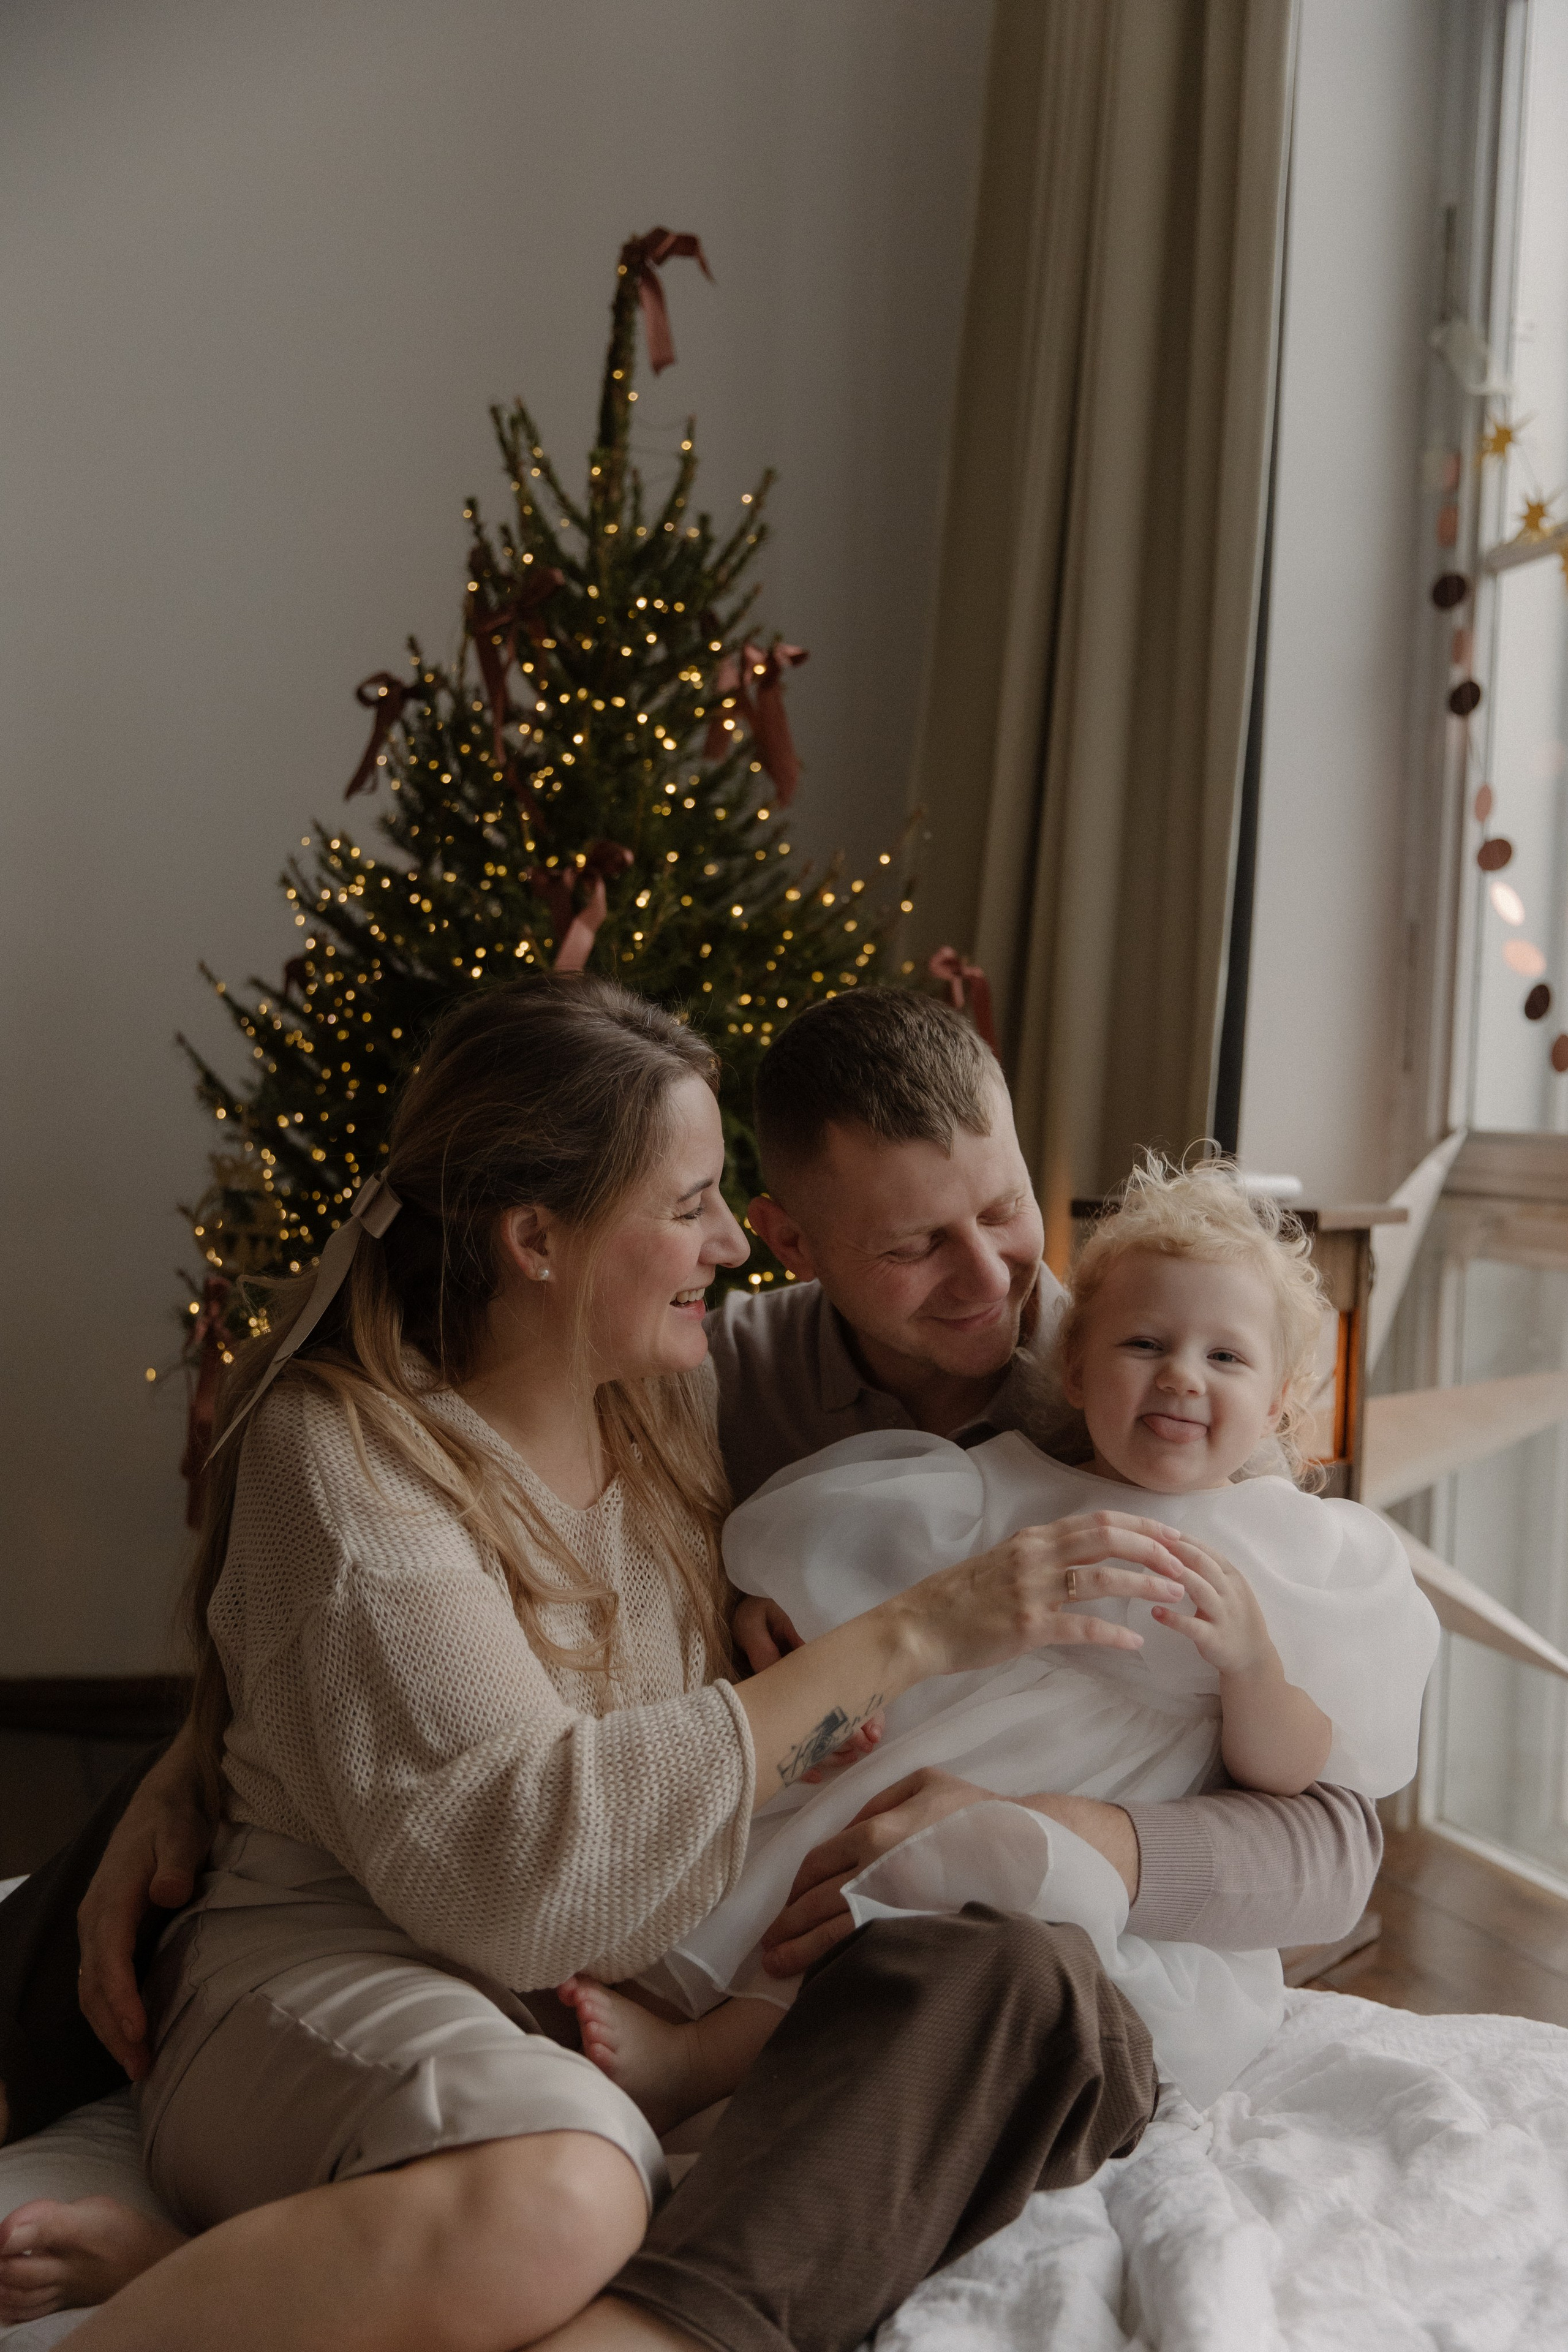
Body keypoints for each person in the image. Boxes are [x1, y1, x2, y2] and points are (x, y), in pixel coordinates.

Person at [0, 975, 1182, 2352]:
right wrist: (903, 1640)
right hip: (342, 1966)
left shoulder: (682, 1398)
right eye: (688, 1207)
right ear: (534, 1241)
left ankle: (232, 2273)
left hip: (594, 2006)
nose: (735, 1243)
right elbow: (512, 1873)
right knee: (571, 2185)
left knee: (1000, 2016)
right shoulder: (347, 1455)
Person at [559, 1158, 1438, 2131]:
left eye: (1225, 1358)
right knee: (839, 1893)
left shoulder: (1292, 1554)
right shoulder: (1009, 1484)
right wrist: (761, 1603)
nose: (1182, 1375)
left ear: (1278, 1402)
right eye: (1144, 1342)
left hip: (1090, 1837)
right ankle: (715, 2052)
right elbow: (853, 1570)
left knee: (926, 1913)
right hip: (922, 1766)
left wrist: (1251, 1669)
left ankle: (703, 2063)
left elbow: (1293, 1773)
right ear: (1074, 1367)